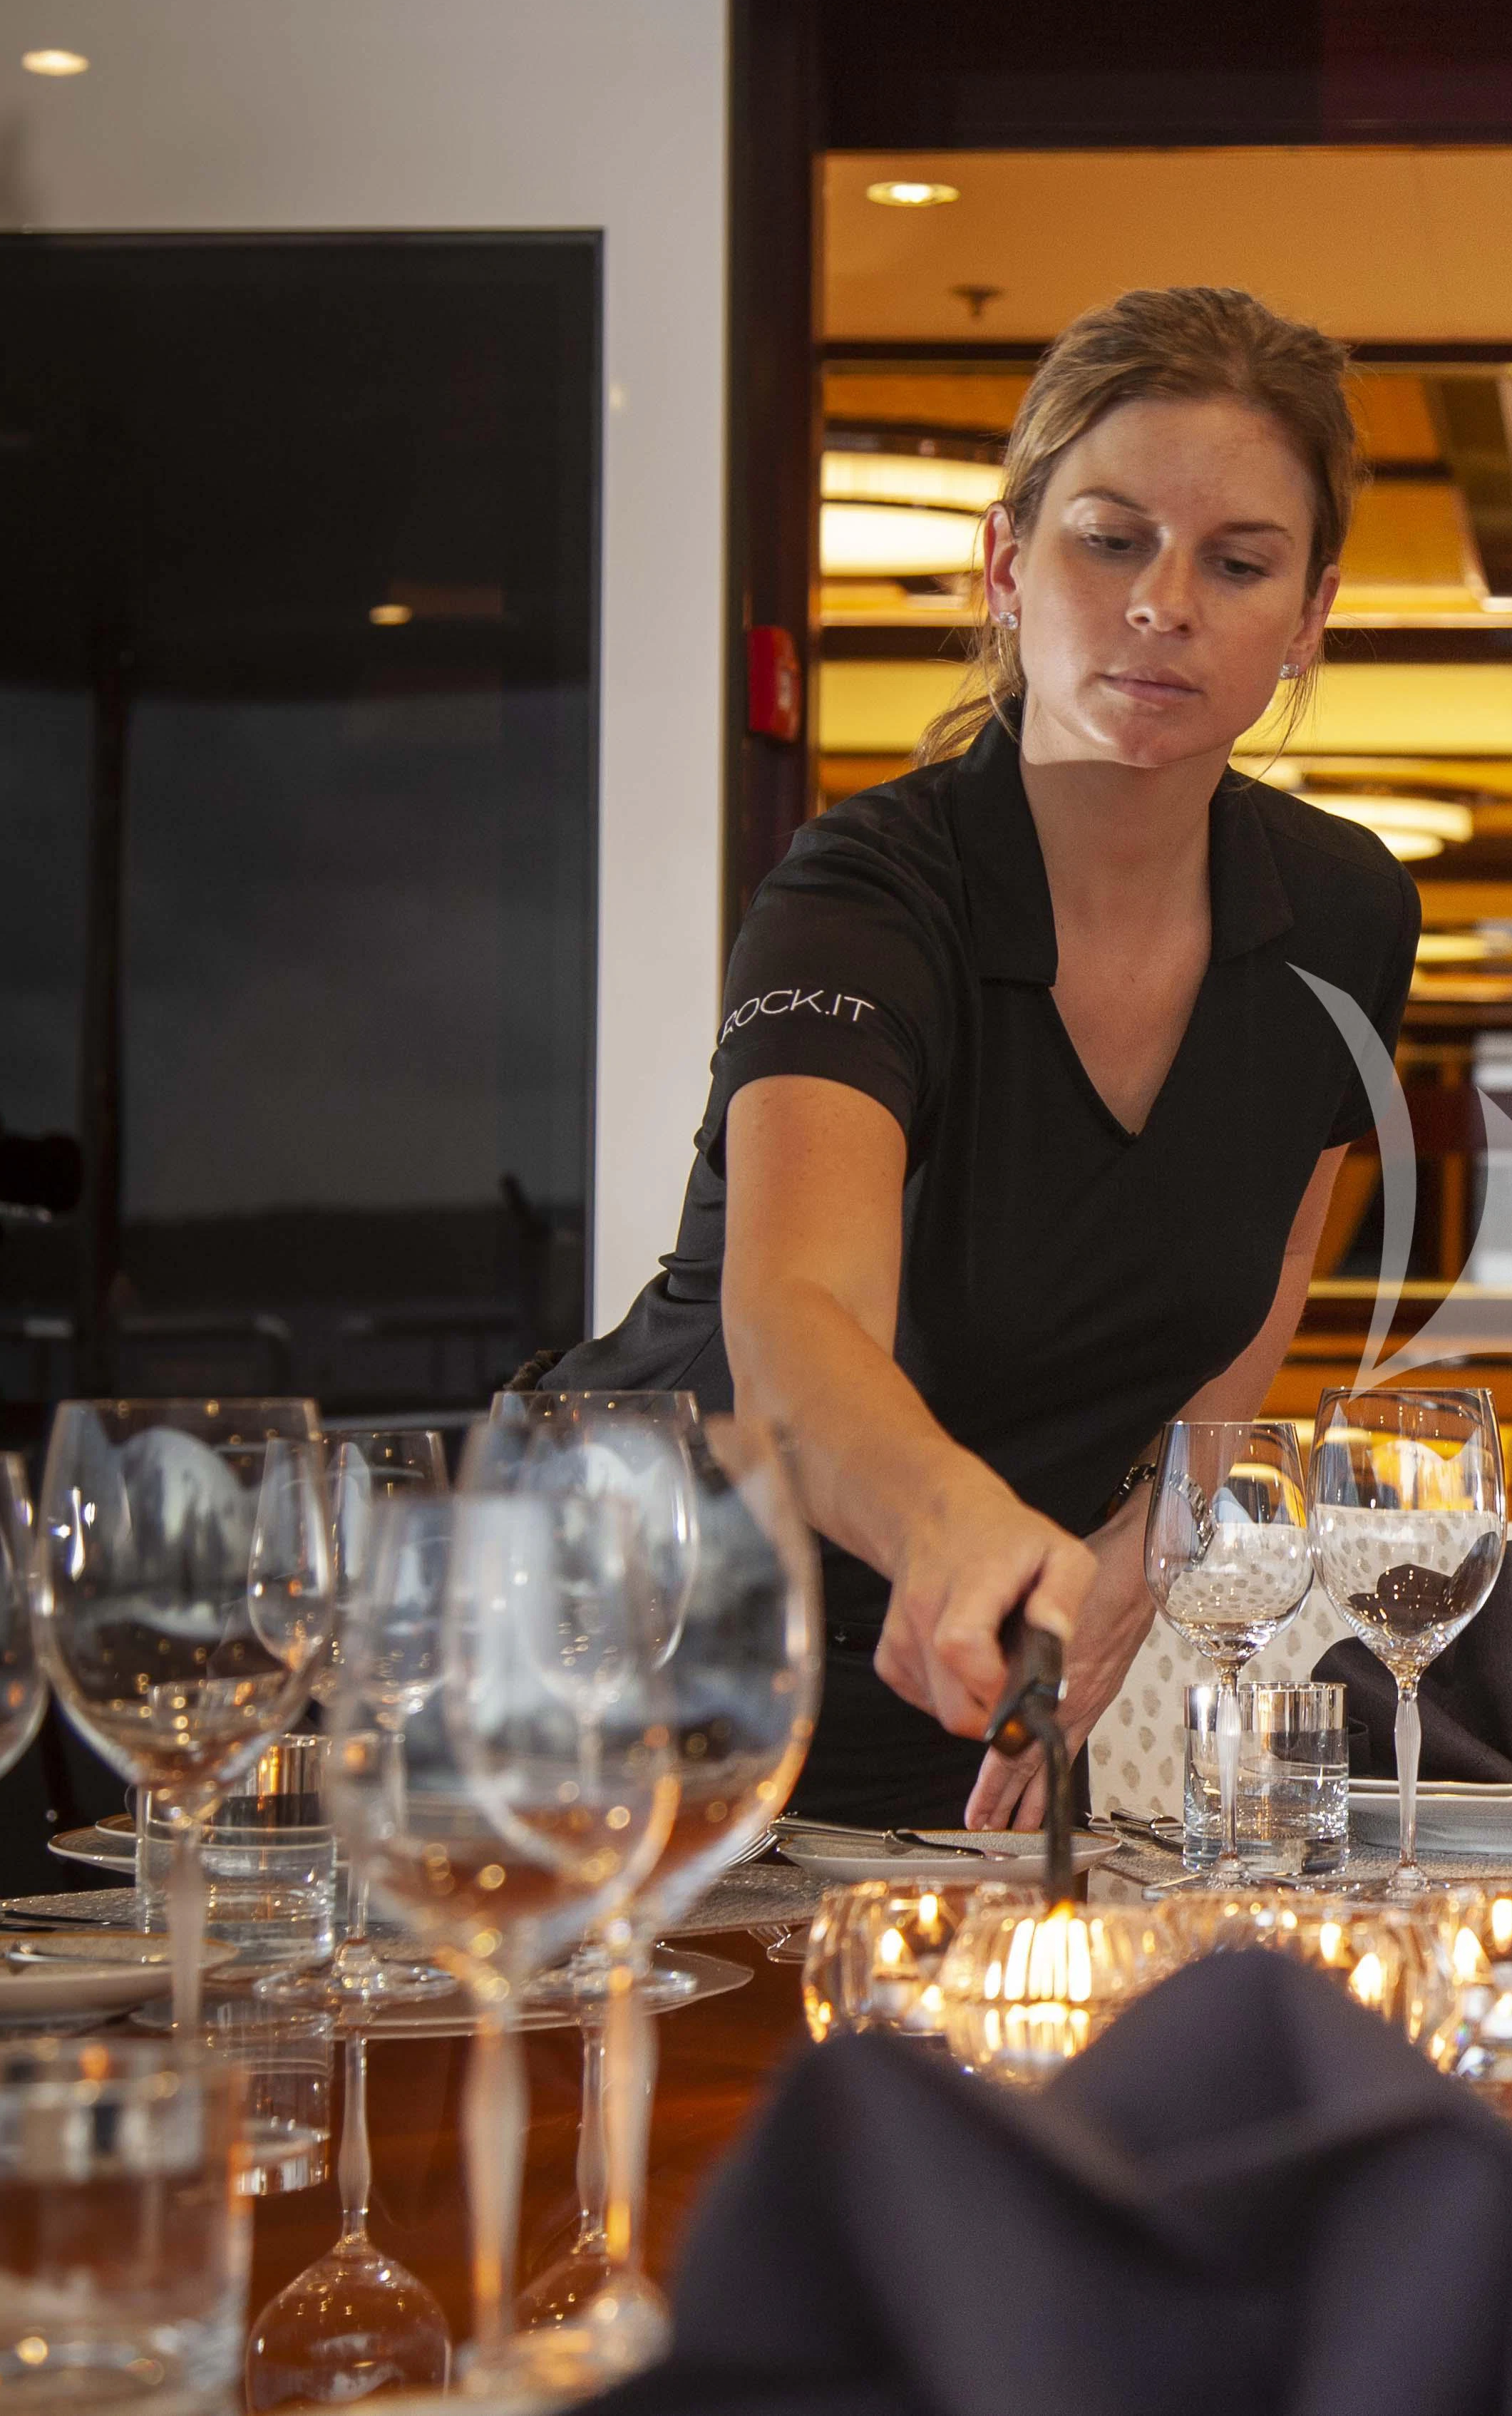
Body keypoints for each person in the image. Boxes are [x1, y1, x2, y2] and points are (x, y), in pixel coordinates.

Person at [547, 287, 1417, 1829]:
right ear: (1008, 565)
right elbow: (793, 1316)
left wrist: (1153, 1542)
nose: (1164, 603)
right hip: (632, 1644)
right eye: (1110, 539)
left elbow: (1272, 1269)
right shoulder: (865, 892)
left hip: (972, 1682)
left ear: (1308, 616)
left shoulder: (1345, 912)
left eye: (1237, 563)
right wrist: (950, 1514)